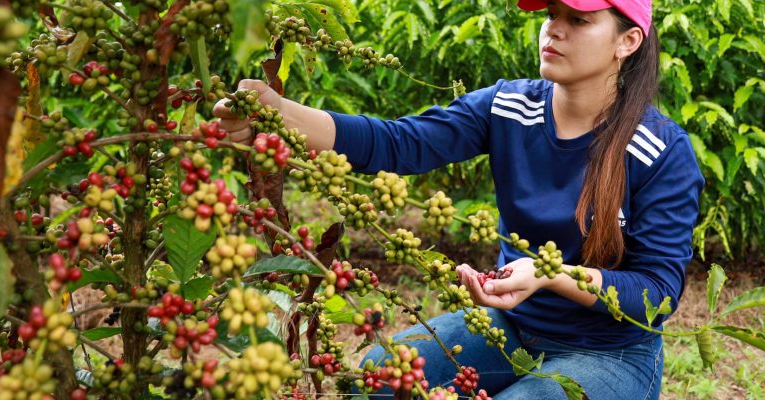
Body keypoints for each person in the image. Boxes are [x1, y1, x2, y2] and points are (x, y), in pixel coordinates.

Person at [213, 0, 704, 398]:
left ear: (627, 41)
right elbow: (398, 143)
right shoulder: (509, 106)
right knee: (383, 373)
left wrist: (549, 274)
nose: (553, 30)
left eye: (578, 20)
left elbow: (655, 295)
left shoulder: (661, 151)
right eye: (552, 14)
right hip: (510, 328)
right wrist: (279, 115)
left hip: (608, 353)